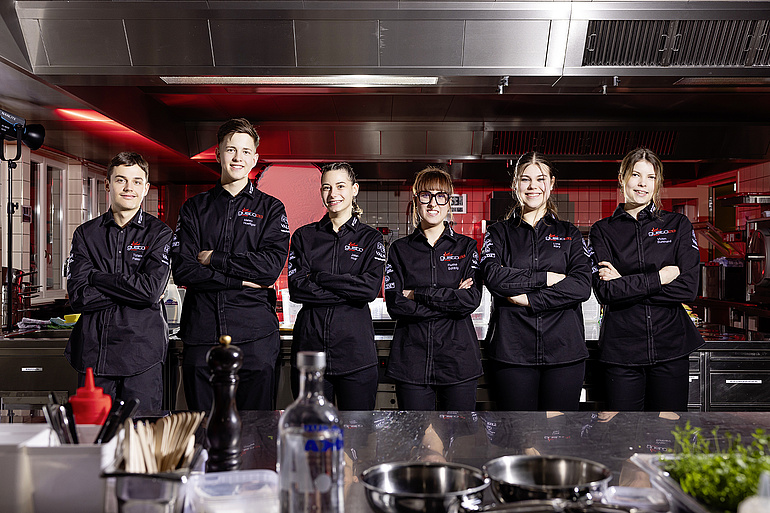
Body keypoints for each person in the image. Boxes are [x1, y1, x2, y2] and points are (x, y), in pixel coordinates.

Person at [171, 118, 290, 411]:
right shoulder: (193, 208)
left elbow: (268, 269)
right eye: (231, 150)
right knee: (203, 426)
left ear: (255, 159)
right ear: (218, 154)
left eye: (246, 151)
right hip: (202, 334)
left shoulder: (271, 209)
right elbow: (184, 270)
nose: (238, 158)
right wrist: (238, 280)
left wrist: (215, 258)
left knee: (257, 426)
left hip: (255, 337)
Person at [589, 147, 704, 411]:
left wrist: (625, 282)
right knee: (624, 432)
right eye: (636, 175)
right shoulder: (602, 231)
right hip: (622, 351)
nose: (643, 183)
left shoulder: (678, 225)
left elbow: (688, 288)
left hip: (671, 347)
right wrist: (661, 277)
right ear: (622, 178)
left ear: (657, 183)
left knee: (669, 433)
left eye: (651, 177)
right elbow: (606, 292)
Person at [481, 152, 591, 411]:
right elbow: (494, 277)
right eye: (525, 179)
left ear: (551, 183)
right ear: (515, 185)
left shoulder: (570, 233)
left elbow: (581, 286)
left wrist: (530, 299)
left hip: (564, 352)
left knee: (559, 432)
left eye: (540, 179)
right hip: (512, 353)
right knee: (519, 430)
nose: (533, 186)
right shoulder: (498, 233)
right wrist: (547, 278)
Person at [65, 151, 173, 410]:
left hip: (142, 356)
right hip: (94, 355)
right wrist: (132, 289)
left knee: (141, 431)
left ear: (145, 188)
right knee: (95, 431)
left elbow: (149, 291)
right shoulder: (86, 234)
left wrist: (96, 277)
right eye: (121, 180)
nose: (128, 188)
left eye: (136, 181)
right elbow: (79, 296)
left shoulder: (160, 234)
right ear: (108, 184)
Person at [287, 163, 385, 410]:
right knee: (312, 430)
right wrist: (349, 287)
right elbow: (297, 288)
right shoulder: (303, 237)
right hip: (310, 355)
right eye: (326, 187)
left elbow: (369, 289)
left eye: (340, 186)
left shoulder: (370, 238)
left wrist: (318, 277)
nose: (333, 194)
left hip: (356, 356)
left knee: (358, 431)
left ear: (354, 189)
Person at [385, 167, 482, 411]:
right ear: (416, 200)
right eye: (426, 195)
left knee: (460, 432)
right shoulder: (399, 250)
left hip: (458, 360)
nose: (433, 203)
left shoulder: (466, 247)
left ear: (449, 202)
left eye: (440, 196)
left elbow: (470, 300)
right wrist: (451, 301)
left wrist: (417, 294)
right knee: (416, 433)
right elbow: (395, 305)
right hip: (411, 362)